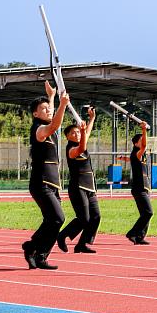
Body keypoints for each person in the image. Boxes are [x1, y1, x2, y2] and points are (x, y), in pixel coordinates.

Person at [22, 81, 70, 270]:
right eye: (44, 109)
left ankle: (37, 253)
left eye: (49, 108)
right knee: (57, 218)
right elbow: (54, 125)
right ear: (35, 114)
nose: (48, 110)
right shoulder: (39, 130)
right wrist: (63, 104)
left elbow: (52, 118)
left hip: (52, 183)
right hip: (41, 182)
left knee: (52, 220)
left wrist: (51, 97)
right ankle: (35, 249)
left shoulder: (47, 124)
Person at [57, 106, 100, 254]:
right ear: (67, 136)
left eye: (77, 131)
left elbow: (87, 132)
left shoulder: (83, 140)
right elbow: (81, 148)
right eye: (73, 133)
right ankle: (62, 236)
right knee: (84, 218)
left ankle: (82, 244)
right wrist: (82, 131)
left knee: (96, 217)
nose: (77, 134)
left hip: (90, 187)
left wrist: (92, 118)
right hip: (78, 187)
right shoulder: (71, 149)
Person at [126, 121, 153, 245]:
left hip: (145, 187)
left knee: (145, 214)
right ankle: (132, 233)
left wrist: (123, 158)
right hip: (139, 188)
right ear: (136, 143)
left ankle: (140, 237)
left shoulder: (140, 155)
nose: (143, 142)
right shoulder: (137, 152)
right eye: (141, 140)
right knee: (148, 212)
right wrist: (144, 130)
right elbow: (143, 147)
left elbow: (133, 159)